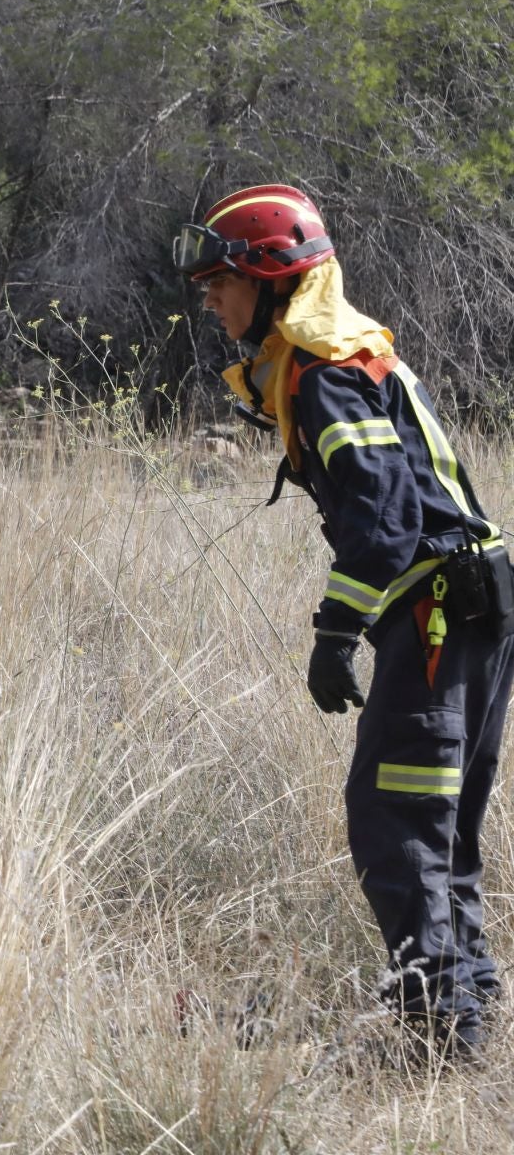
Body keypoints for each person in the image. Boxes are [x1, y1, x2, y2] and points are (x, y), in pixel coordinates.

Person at [175, 184, 514, 1059]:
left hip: (438, 613)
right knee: (438, 820)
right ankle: (462, 1005)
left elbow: (387, 520)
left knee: (394, 818)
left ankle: (438, 1027)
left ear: (273, 280)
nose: (210, 300)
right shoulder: (343, 354)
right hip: (472, 604)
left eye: (221, 282)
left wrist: (335, 632)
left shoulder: (324, 373)